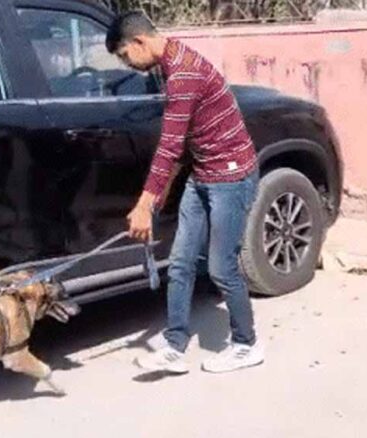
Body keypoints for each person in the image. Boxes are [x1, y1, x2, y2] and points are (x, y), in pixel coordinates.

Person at [106, 12, 262, 374]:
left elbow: (170, 144)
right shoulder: (169, 64)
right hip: (202, 174)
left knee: (222, 267)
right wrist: (161, 190)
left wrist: (144, 204)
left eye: (126, 55)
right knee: (180, 263)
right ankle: (174, 346)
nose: (128, 64)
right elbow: (186, 137)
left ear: (140, 42)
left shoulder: (184, 73)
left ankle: (247, 344)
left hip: (231, 177)